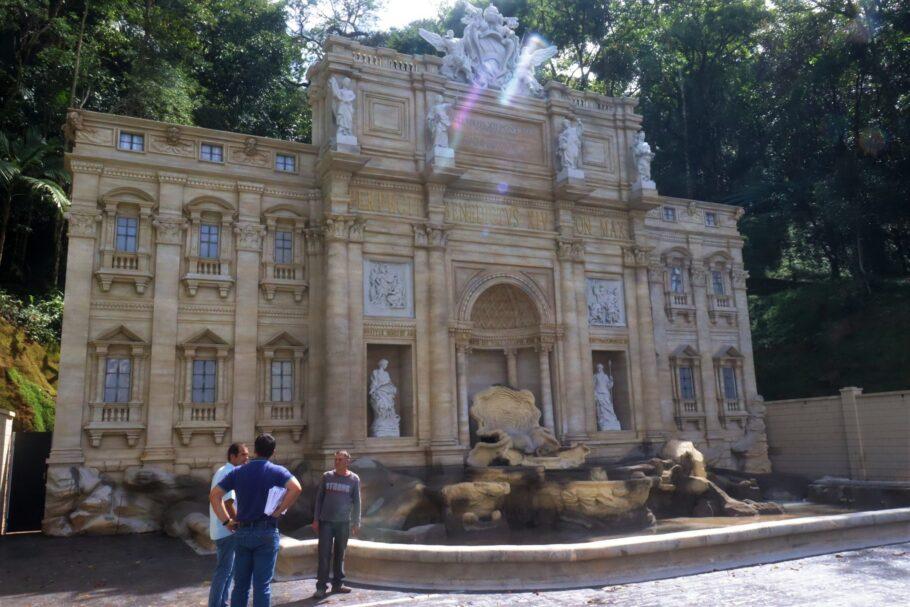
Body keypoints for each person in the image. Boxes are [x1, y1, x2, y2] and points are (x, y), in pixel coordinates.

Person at [210, 434, 302, 607]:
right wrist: (279, 511)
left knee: (240, 586)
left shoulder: (237, 472)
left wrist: (226, 521)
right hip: (266, 530)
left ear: (254, 450)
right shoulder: (277, 470)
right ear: (273, 452)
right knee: (262, 586)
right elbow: (296, 488)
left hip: (243, 532)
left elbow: (215, 495)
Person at [312, 450, 362, 600]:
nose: (337, 462)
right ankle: (321, 587)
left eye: (340, 459)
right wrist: (315, 519)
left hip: (343, 523)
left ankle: (338, 584)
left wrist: (356, 521)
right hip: (326, 522)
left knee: (340, 554)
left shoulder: (354, 479)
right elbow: (319, 499)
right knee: (324, 555)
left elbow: (357, 502)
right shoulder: (327, 477)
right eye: (336, 459)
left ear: (348, 461)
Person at [209, 442, 250, 607]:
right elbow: (228, 502)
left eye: (247, 454)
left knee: (228, 571)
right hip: (227, 530)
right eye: (243, 455)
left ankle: (222, 603)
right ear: (233, 456)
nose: (247, 458)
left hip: (223, 529)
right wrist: (236, 523)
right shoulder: (229, 472)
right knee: (224, 571)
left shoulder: (223, 470)